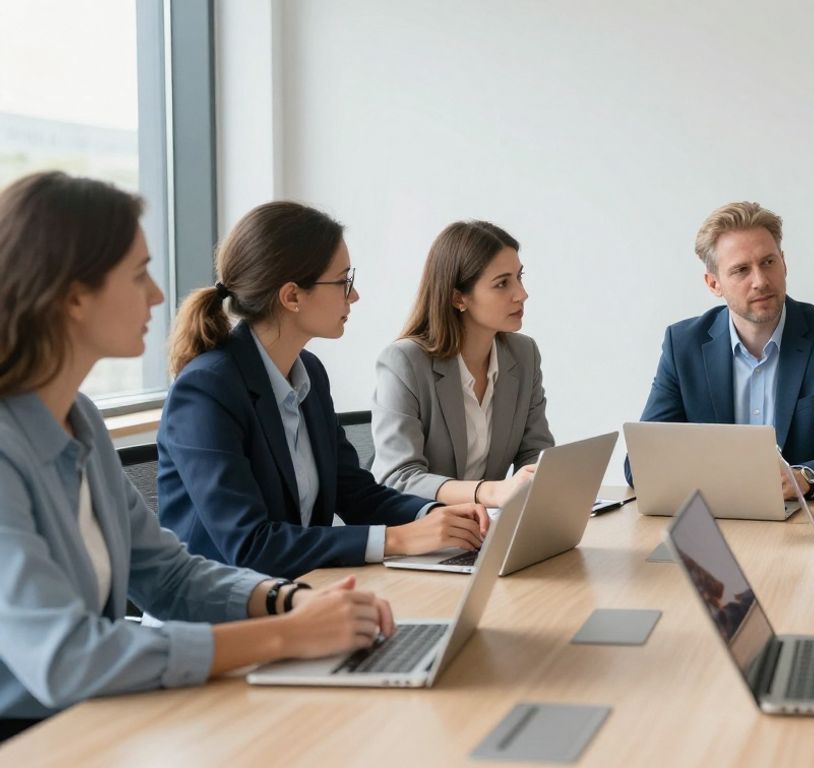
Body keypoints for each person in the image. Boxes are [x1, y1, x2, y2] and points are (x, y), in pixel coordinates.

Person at [0, 172, 395, 741]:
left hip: (98, 721)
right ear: (73, 296)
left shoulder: (79, 418)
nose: (159, 295)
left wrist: (288, 601)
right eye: (139, 275)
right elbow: (67, 658)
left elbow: (168, 574)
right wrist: (288, 633)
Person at [158, 202, 489, 580]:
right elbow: (251, 546)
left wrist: (433, 516)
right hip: (217, 616)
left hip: (298, 591)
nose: (355, 296)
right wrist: (397, 540)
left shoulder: (309, 374)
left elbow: (356, 493)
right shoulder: (207, 390)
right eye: (343, 280)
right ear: (292, 296)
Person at [629, 201, 814, 499]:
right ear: (713, 283)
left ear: (784, 263)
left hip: (801, 521)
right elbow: (640, 463)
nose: (760, 281)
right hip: (714, 519)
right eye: (741, 270)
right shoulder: (683, 345)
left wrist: (803, 478)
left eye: (769, 262)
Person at [371, 221, 552, 507]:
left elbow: (535, 452)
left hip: (486, 531)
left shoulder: (524, 354)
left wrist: (540, 478)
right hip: (425, 534)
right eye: (502, 283)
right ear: (458, 297)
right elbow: (398, 477)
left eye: (519, 277)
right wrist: (488, 492)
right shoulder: (404, 362)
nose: (521, 293)